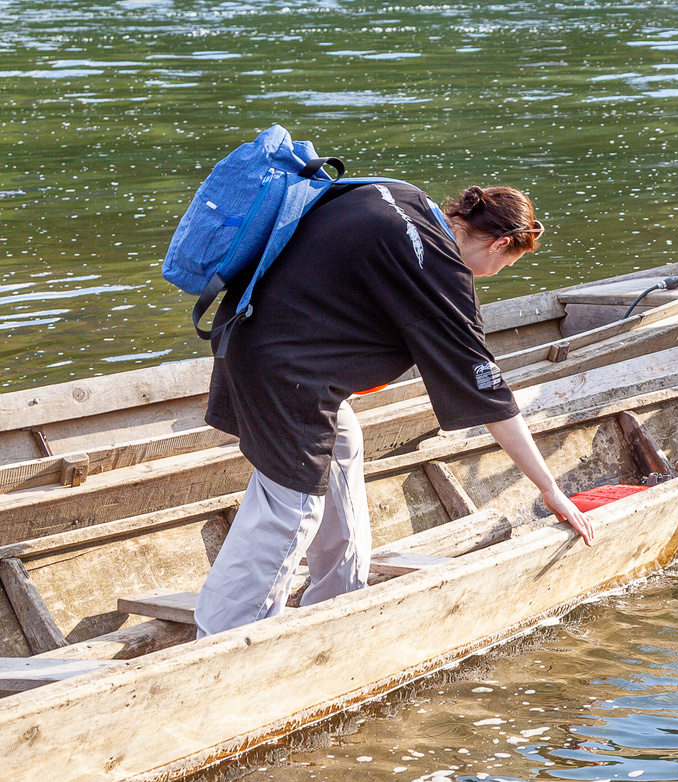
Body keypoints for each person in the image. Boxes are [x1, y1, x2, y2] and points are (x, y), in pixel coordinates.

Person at [193, 180, 594, 637]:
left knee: (343, 440)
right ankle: (222, 640)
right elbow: (490, 394)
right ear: (501, 242)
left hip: (247, 334)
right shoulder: (439, 270)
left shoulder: (400, 195)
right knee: (291, 506)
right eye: (505, 263)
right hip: (284, 375)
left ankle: (339, 598)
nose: (495, 272)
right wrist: (548, 488)